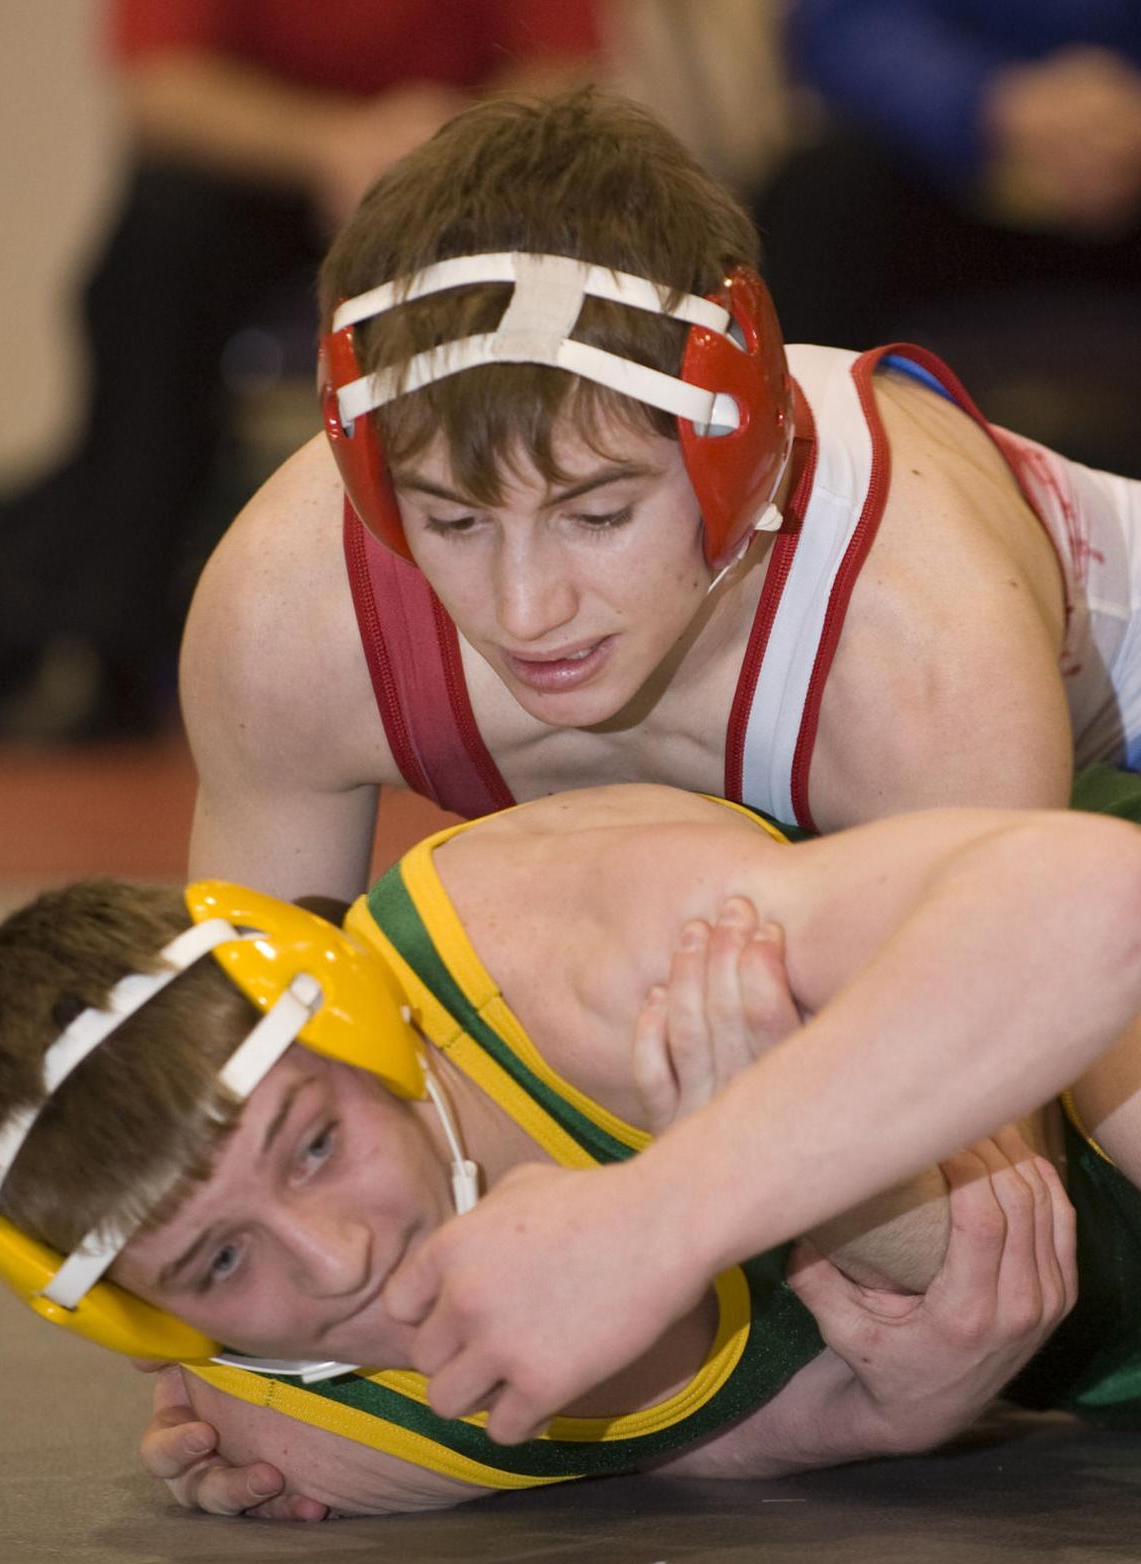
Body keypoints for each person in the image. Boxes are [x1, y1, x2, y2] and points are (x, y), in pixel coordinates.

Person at [0, 773, 1141, 1516]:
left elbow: (1101, 902)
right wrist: (881, 1418)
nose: (336, 1257)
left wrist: (664, 1211)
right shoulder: (308, 1432)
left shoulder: (568, 951)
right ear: (138, 1321)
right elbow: (679, 1440)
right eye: (217, 1262)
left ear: (355, 1014)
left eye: (313, 1143)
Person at [183, 86, 1141, 916]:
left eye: (597, 516)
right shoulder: (291, 612)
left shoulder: (923, 625)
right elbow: (250, 1066)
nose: (528, 611)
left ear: (740, 452)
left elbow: (990, 1089)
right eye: (454, 521)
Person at [0, 0, 600, 738]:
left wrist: (445, 145)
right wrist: (331, 142)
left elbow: (569, 68)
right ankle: (108, 623)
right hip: (260, 184)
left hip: (464, 178)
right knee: (158, 251)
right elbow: (159, 88)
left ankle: (65, 621)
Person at [761, 2, 1141, 471]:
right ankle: (810, 464)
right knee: (823, 188)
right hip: (950, 167)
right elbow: (840, 26)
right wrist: (998, 106)